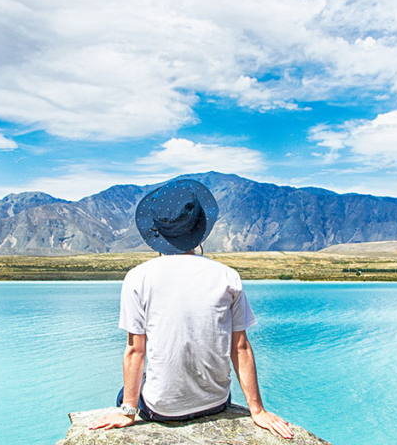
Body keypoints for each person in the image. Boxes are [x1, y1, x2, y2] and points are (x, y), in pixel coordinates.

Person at [88, 179, 293, 439]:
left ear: (156, 231)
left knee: (126, 391)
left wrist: (127, 412)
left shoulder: (138, 278)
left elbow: (135, 350)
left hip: (162, 410)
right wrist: (257, 410)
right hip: (216, 403)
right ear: (199, 229)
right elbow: (240, 347)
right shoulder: (228, 276)